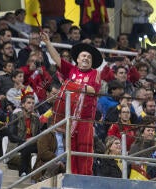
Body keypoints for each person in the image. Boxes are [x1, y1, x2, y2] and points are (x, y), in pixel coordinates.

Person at [41, 32, 103, 175]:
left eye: (89, 57)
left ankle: (85, 178)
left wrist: (72, 85)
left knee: (85, 148)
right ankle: (73, 175)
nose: (86, 58)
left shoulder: (95, 73)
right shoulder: (72, 70)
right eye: (83, 56)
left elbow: (94, 90)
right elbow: (57, 58)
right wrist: (48, 42)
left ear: (92, 62)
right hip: (70, 118)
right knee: (72, 150)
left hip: (85, 119)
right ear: (77, 59)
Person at [8, 94, 41, 176]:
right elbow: (11, 136)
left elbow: (37, 135)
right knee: (26, 146)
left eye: (33, 103)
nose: (31, 105)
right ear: (23, 105)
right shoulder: (15, 116)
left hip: (31, 145)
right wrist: (25, 140)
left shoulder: (36, 119)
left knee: (44, 147)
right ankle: (23, 172)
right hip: (18, 145)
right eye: (29, 103)